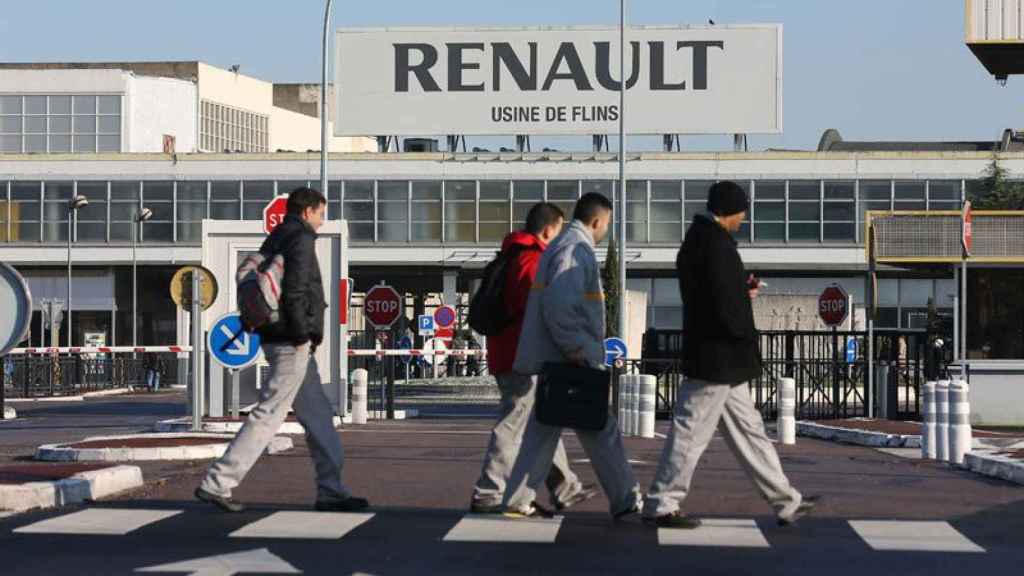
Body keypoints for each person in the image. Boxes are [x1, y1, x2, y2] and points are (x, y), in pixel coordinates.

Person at [643, 181, 817, 529]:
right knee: (691, 431)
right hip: (717, 356)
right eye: (741, 212)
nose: (743, 219)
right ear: (727, 211)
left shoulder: (698, 241)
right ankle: (662, 503)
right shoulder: (717, 246)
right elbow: (722, 305)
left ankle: (786, 501)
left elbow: (713, 294)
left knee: (750, 431)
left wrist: (741, 291)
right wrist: (744, 331)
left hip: (717, 356)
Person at [195, 187, 368, 514]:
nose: (322, 221)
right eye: (320, 213)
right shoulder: (300, 239)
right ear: (308, 211)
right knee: (269, 413)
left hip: (280, 337)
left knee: (318, 416)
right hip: (291, 341)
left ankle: (332, 491)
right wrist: (303, 335)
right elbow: (295, 291)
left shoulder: (276, 236)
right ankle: (217, 482)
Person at [503, 193, 642, 519]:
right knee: (600, 429)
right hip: (570, 359)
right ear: (597, 221)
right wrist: (576, 349)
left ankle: (517, 498)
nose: (606, 230)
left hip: (560, 358)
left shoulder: (564, 245)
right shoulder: (575, 248)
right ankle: (625, 499)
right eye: (606, 224)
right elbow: (560, 305)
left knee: (546, 430)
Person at [470, 202, 596, 515]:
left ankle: (565, 487)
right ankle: (489, 491)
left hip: (511, 352)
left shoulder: (513, 253)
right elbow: (535, 309)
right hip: (521, 356)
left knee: (541, 420)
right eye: (559, 229)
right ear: (548, 229)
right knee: (514, 423)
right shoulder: (530, 259)